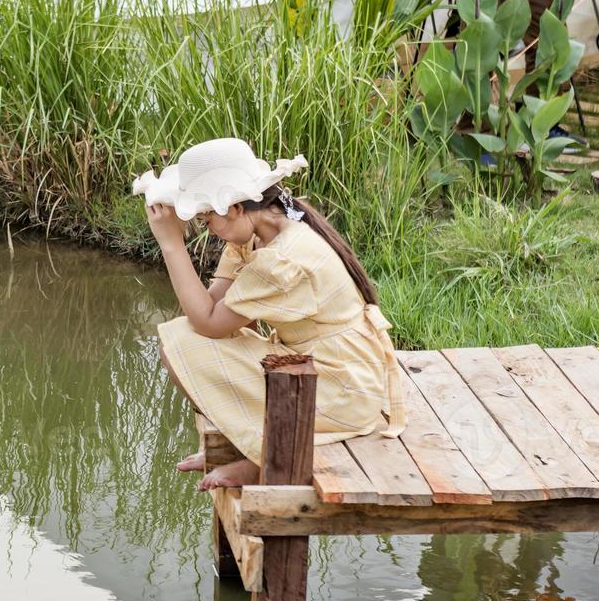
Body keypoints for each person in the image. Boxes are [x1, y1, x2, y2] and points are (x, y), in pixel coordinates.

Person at [142, 138, 406, 491]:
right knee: (181, 339)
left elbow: (208, 321)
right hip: (317, 369)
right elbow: (208, 314)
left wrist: (171, 244)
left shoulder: (282, 258)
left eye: (207, 219)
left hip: (345, 389)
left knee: (181, 345)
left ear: (234, 207)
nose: (210, 230)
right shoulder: (259, 237)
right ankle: (243, 442)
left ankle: (261, 458)